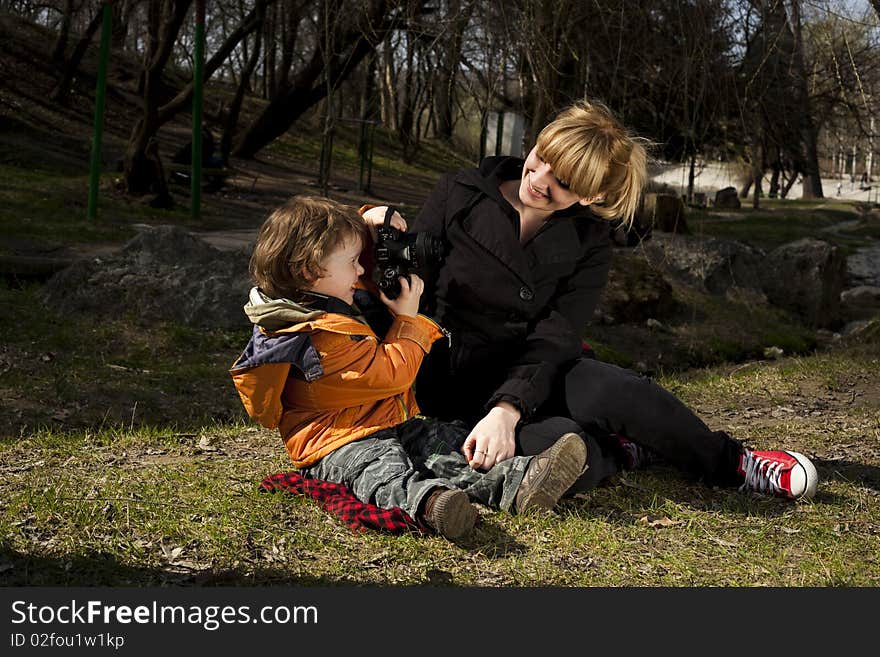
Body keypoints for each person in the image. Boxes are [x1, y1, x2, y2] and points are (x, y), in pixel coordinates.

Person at [364, 98, 819, 501]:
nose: (539, 180)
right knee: (562, 446)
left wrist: (507, 408)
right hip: (444, 372)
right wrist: (374, 228)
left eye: (562, 182)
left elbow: (556, 332)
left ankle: (735, 465)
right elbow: (402, 274)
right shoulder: (460, 191)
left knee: (613, 388)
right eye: (540, 159)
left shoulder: (589, 240)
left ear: (594, 194)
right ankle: (619, 449)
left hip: (529, 369)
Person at [230, 195, 588, 540]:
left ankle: (520, 482)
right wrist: (408, 319)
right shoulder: (314, 338)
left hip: (385, 420)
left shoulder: (317, 298)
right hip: (335, 443)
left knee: (442, 446)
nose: (360, 270)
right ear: (309, 271)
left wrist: (372, 219)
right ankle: (431, 505)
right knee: (381, 473)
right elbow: (392, 374)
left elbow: (332, 237)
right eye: (353, 263)